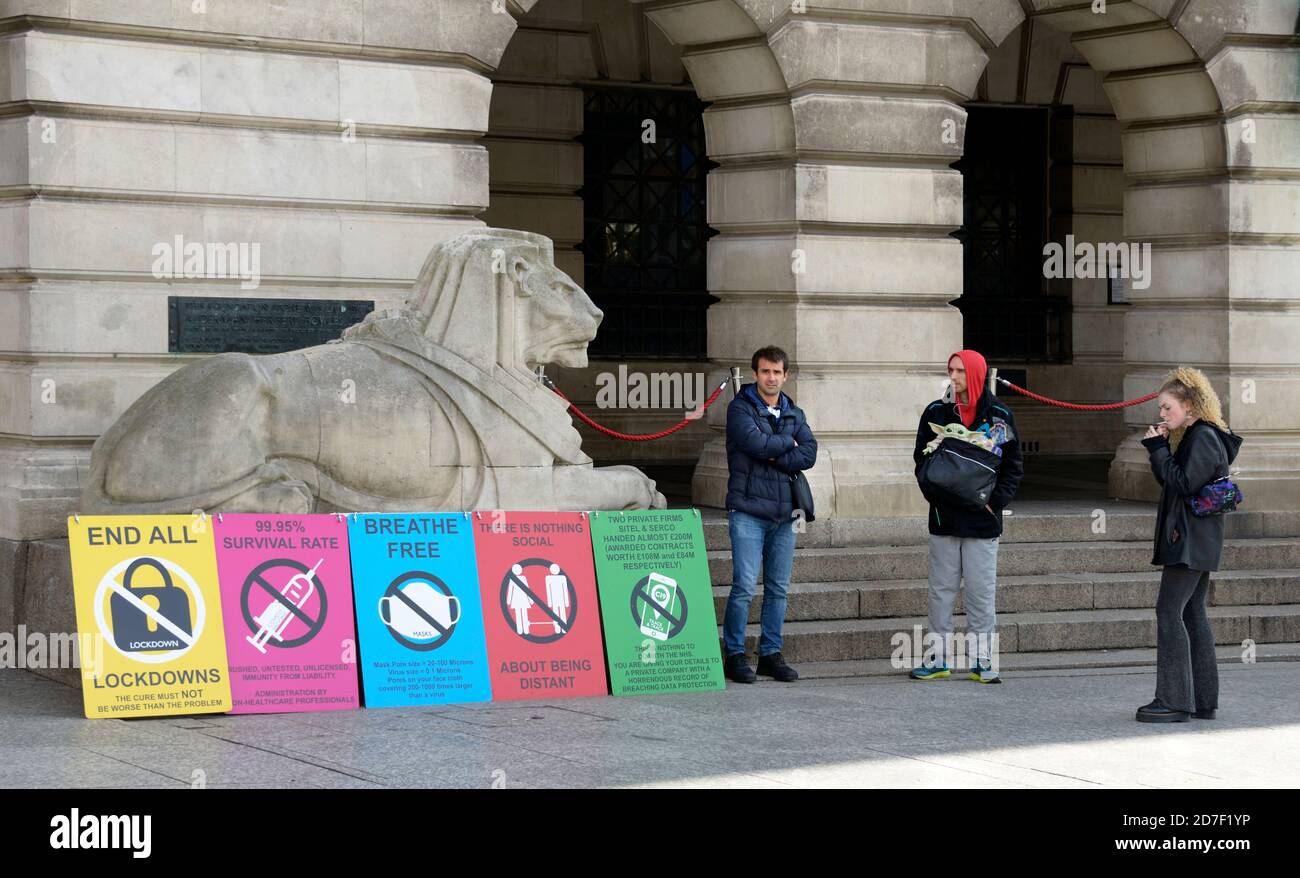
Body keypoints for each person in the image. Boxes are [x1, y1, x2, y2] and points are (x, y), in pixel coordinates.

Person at [1135, 367, 1242, 723]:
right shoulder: (1197, 435)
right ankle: (1201, 699)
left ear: (1190, 406)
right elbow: (1173, 481)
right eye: (1161, 409)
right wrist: (1161, 450)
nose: (1162, 414)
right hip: (1195, 539)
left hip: (1190, 541)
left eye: (1168, 408)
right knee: (1192, 613)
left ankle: (1174, 699)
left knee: (1169, 612)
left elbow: (1182, 483)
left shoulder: (1203, 437)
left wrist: (1156, 449)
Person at [910, 350, 1023, 683]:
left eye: (960, 371)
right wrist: (934, 493)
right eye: (950, 370)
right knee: (940, 591)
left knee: (980, 592)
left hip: (982, 521)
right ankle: (937, 659)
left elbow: (1013, 466)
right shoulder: (937, 411)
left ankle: (983, 660)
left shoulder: (999, 414)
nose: (954, 376)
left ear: (975, 374)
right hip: (944, 517)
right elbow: (920, 459)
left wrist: (995, 503)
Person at [721, 346, 817, 683]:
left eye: (777, 372)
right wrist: (785, 445)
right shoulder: (739, 409)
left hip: (785, 513)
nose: (771, 378)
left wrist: (778, 449)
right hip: (747, 509)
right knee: (745, 585)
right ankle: (733, 655)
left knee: (778, 588)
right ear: (755, 374)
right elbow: (753, 444)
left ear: (785, 375)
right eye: (765, 372)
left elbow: (809, 453)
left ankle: (770, 654)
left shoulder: (794, 412)